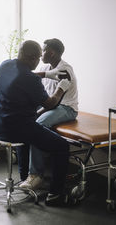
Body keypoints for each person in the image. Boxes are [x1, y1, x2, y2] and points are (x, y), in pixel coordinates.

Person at [0, 40, 72, 206]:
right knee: (62, 146)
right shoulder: (30, 80)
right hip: (18, 128)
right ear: (33, 58)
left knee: (25, 140)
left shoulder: (5, 65)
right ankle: (56, 195)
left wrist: (47, 74)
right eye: (38, 58)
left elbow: (22, 75)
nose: (39, 61)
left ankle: (24, 181)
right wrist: (61, 88)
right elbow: (50, 103)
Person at [20, 38, 78, 190]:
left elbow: (55, 103)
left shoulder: (65, 70)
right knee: (24, 118)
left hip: (66, 108)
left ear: (51, 53)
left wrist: (37, 113)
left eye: (43, 50)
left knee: (37, 125)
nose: (41, 53)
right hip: (51, 104)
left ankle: (36, 175)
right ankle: (24, 172)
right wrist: (45, 74)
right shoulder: (46, 66)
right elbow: (37, 83)